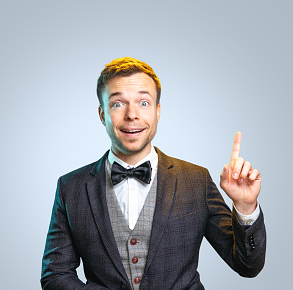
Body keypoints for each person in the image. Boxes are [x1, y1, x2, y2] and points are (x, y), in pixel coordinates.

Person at [41, 57, 266, 290]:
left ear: (158, 112)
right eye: (118, 104)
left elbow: (248, 266)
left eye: (144, 103)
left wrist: (246, 207)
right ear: (102, 114)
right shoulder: (71, 187)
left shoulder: (197, 181)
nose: (132, 115)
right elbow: (54, 276)